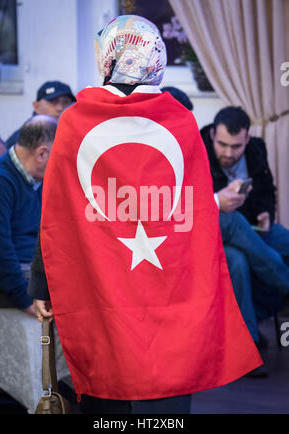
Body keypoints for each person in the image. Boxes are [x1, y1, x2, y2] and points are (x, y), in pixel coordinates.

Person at [30, 15, 261, 415]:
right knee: (168, 387)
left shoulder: (73, 123)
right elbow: (198, 213)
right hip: (167, 284)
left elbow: (54, 214)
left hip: (98, 285)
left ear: (107, 58)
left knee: (104, 388)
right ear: (157, 60)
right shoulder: (183, 122)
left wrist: (41, 286)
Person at [200, 107, 289, 354]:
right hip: (216, 233)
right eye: (223, 145)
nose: (229, 153)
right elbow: (190, 202)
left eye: (236, 147)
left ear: (247, 138)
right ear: (212, 135)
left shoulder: (256, 148)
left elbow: (267, 190)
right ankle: (247, 345)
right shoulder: (197, 149)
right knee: (237, 261)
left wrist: (266, 215)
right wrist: (217, 199)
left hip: (253, 228)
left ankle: (259, 315)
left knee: (284, 240)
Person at [0, 115, 57, 314]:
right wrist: (25, 299)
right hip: (9, 294)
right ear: (41, 154)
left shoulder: (39, 180)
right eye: (58, 155)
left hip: (34, 282)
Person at [6, 81, 76, 149]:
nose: (60, 108)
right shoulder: (26, 136)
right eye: (53, 101)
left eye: (66, 102)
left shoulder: (72, 132)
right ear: (36, 106)